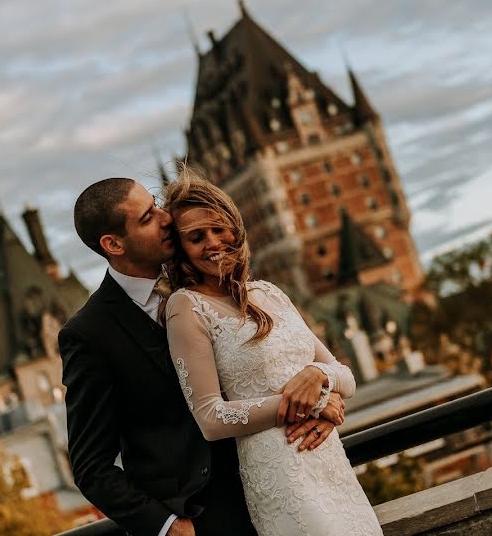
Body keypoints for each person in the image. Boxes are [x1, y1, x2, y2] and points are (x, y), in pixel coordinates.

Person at [60, 178, 341, 536]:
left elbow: (274, 364)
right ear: (113, 244)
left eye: (157, 204)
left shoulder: (206, 276)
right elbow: (90, 468)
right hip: (203, 521)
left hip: (282, 484)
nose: (165, 218)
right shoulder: (89, 334)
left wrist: (322, 394)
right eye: (147, 217)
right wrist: (166, 526)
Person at [162, 168, 384, 536]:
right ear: (181, 249)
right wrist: (312, 404)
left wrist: (320, 377)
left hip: (330, 464)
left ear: (236, 228)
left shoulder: (270, 292)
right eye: (196, 237)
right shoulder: (186, 307)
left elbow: (345, 375)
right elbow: (211, 418)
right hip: (280, 476)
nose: (213, 242)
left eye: (219, 228)